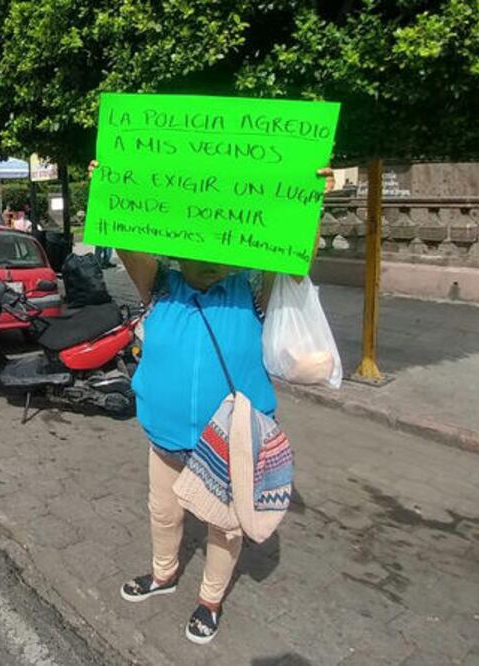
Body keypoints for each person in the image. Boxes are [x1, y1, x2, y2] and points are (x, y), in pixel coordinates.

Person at [88, 160, 334, 645]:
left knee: (226, 527)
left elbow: (293, 254)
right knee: (164, 512)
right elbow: (124, 240)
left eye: (223, 246)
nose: (211, 257)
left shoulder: (253, 291)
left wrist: (311, 203)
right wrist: (109, 186)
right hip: (165, 437)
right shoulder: (160, 286)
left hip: (230, 445)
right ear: (178, 247)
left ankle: (211, 600)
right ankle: (163, 573)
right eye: (200, 246)